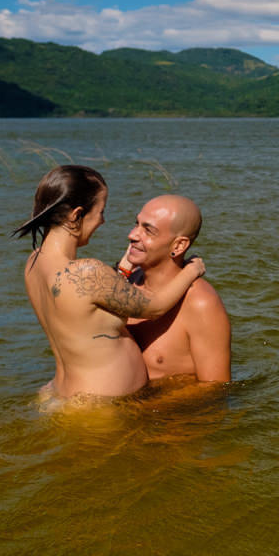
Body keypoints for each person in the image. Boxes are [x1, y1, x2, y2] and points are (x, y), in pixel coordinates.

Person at [14, 166, 205, 400]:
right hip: (98, 407)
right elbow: (155, 307)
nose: (103, 220)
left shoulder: (33, 263)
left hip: (62, 392)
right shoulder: (88, 272)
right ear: (76, 215)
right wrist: (191, 269)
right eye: (101, 211)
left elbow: (84, 308)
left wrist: (121, 270)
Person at [119, 195, 231, 384]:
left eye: (148, 230)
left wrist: (138, 408)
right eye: (136, 224)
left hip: (162, 413)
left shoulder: (201, 303)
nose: (132, 235)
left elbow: (215, 390)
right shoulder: (124, 282)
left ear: (178, 246)